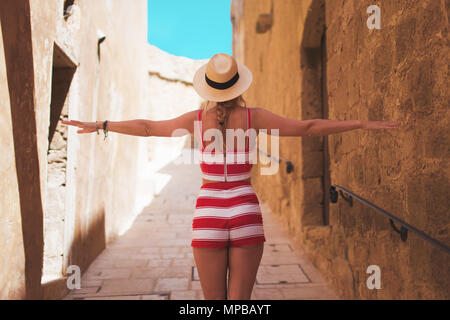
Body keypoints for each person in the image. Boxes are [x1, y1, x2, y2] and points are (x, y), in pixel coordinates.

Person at [62, 53, 401, 300]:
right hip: (245, 209)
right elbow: (308, 127)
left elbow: (149, 128)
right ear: (238, 85)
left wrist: (102, 125)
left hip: (209, 210)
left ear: (208, 88)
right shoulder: (254, 117)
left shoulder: (196, 119)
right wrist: (360, 123)